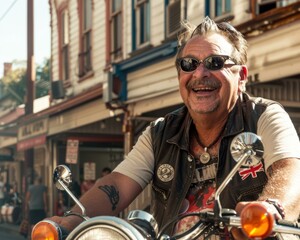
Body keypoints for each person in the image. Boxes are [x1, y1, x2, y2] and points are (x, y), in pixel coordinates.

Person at [46, 17, 300, 239]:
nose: (200, 73)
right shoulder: (161, 133)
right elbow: (118, 184)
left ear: (241, 76)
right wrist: (72, 220)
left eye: (215, 62)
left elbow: (290, 172)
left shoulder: (263, 117)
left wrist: (270, 207)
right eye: (188, 64)